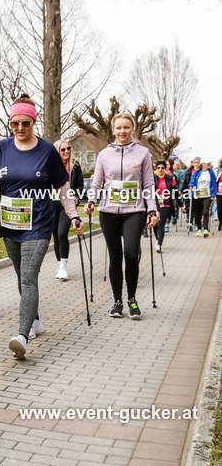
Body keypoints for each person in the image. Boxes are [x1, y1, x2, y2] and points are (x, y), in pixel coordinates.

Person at [0, 94, 83, 359]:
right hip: (10, 223)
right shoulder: (1, 149)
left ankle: (22, 334)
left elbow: (63, 189)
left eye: (26, 123)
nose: (20, 128)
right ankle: (35, 319)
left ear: (33, 122)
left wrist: (73, 216)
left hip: (40, 223)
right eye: (15, 123)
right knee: (22, 276)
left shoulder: (46, 151)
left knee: (29, 276)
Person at [85, 112, 158, 319]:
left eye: (126, 127)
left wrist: (152, 209)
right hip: (108, 212)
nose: (122, 131)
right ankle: (117, 302)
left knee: (131, 254)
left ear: (132, 129)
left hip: (134, 211)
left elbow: (148, 184)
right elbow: (97, 181)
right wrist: (91, 201)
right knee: (115, 257)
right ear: (113, 130)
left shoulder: (143, 153)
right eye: (119, 128)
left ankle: (132, 300)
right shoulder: (104, 154)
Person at [52, 139, 84, 280]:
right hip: (52, 203)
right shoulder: (49, 165)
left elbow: (80, 185)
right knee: (55, 236)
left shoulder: (75, 165)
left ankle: (64, 267)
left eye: (68, 148)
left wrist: (77, 195)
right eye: (63, 149)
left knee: (61, 233)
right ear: (57, 151)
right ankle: (60, 266)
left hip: (68, 204)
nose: (66, 152)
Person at [153, 160, 179, 252]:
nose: (160, 170)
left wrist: (181, 204)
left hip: (166, 204)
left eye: (162, 168)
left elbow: (175, 192)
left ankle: (159, 244)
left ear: (165, 168)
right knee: (155, 225)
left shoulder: (170, 178)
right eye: (158, 168)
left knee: (161, 223)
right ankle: (157, 239)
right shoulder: (152, 178)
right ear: (155, 168)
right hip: (154, 204)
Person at [190, 160, 216, 236]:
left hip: (207, 195)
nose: (209, 164)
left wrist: (214, 194)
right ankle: (198, 229)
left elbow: (214, 183)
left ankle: (205, 228)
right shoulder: (197, 172)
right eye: (208, 163)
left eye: (209, 163)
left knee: (205, 211)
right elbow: (192, 181)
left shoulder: (211, 173)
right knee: (198, 213)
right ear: (203, 164)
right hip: (197, 195)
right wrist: (191, 186)